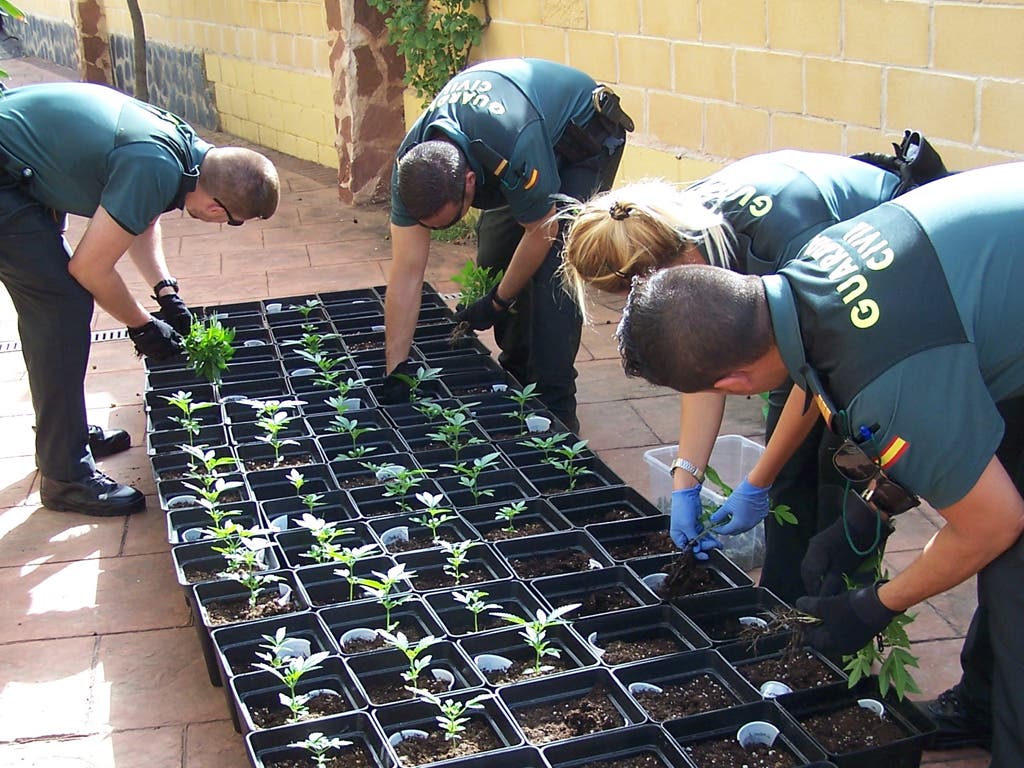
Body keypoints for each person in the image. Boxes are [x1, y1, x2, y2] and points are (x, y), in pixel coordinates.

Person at [615, 161, 1024, 766]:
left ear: (733, 382)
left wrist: (875, 605)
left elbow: (992, 523)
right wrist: (863, 520)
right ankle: (984, 708)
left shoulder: (885, 373)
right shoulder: (802, 283)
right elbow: (875, 406)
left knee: (1015, 569)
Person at [560, 141, 949, 603]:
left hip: (886, 301)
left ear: (668, 270)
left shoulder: (788, 243)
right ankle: (783, 608)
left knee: (837, 485)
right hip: (810, 315)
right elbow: (699, 363)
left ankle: (841, 626)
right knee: (788, 481)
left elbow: (818, 376)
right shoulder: (672, 229)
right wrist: (686, 479)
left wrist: (757, 480)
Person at [0, 81, 280, 517]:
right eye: (234, 222)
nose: (226, 226)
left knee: (57, 308)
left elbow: (141, 216)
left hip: (17, 164)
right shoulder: (155, 165)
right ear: (216, 210)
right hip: (5, 176)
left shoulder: (187, 153)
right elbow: (89, 268)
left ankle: (65, 433)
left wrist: (166, 293)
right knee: (62, 305)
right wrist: (143, 326)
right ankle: (65, 477)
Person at [379, 57, 633, 432]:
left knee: (555, 270)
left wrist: (498, 301)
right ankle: (518, 373)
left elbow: (541, 230)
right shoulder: (412, 167)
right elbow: (405, 274)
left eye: (451, 221)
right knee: (495, 251)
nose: (440, 230)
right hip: (513, 146)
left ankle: (556, 402)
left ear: (470, 183)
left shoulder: (511, 145)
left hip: (582, 137)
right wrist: (395, 371)